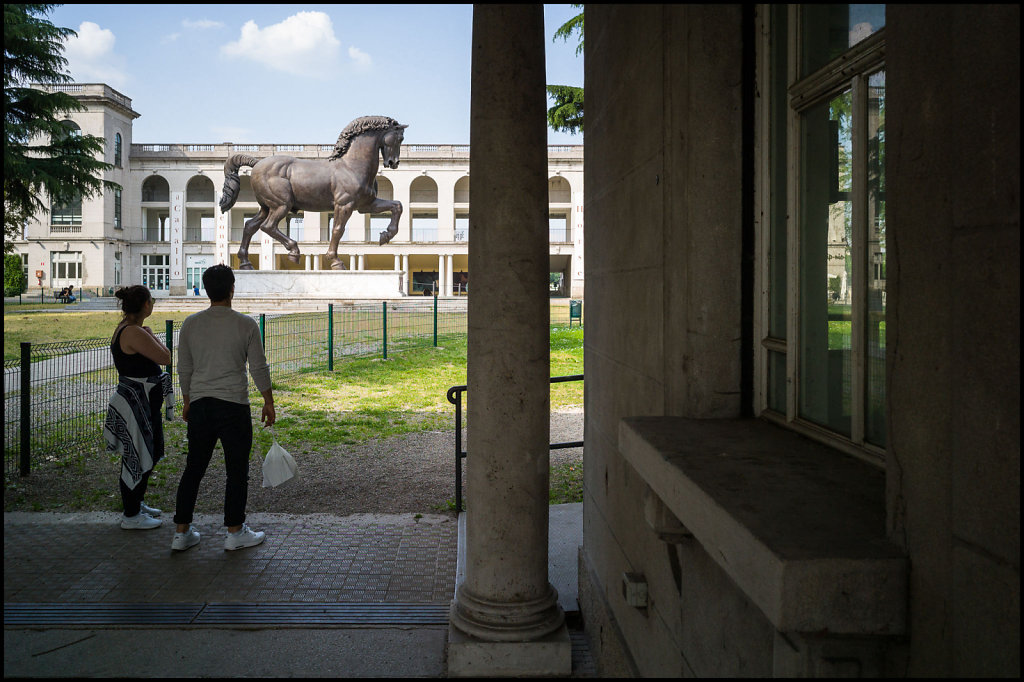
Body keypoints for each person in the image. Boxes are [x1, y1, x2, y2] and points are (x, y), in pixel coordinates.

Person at [171, 264, 275, 552]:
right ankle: (234, 531)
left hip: (202, 405)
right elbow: (258, 367)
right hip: (234, 405)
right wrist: (268, 401)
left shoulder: (191, 324)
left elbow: (185, 368)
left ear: (206, 290)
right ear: (232, 288)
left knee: (194, 468)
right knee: (237, 471)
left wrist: (188, 400)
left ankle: (181, 532)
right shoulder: (246, 324)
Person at [102, 285, 173, 530]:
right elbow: (165, 357)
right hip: (136, 404)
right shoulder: (133, 331)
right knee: (138, 454)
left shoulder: (129, 329)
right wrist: (152, 335)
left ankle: (136, 503)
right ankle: (131, 515)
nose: (153, 304)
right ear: (145, 305)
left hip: (141, 403)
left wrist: (149, 335)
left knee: (148, 453)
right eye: (151, 300)